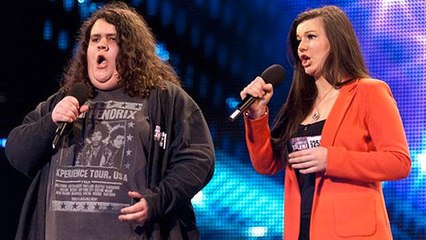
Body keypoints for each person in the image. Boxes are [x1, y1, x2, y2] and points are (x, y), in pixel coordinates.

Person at [5, 2, 215, 240]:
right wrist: (50, 122)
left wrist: (158, 199)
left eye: (112, 39)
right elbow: (16, 152)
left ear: (131, 49)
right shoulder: (65, 100)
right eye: (95, 40)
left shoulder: (164, 99)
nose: (101, 44)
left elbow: (198, 158)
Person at [240, 5, 411, 240]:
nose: (301, 46)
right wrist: (256, 115)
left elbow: (399, 162)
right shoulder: (300, 104)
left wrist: (331, 159)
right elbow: (266, 164)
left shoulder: (370, 92)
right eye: (299, 39)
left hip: (354, 233)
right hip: (302, 232)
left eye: (311, 37)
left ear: (336, 42)